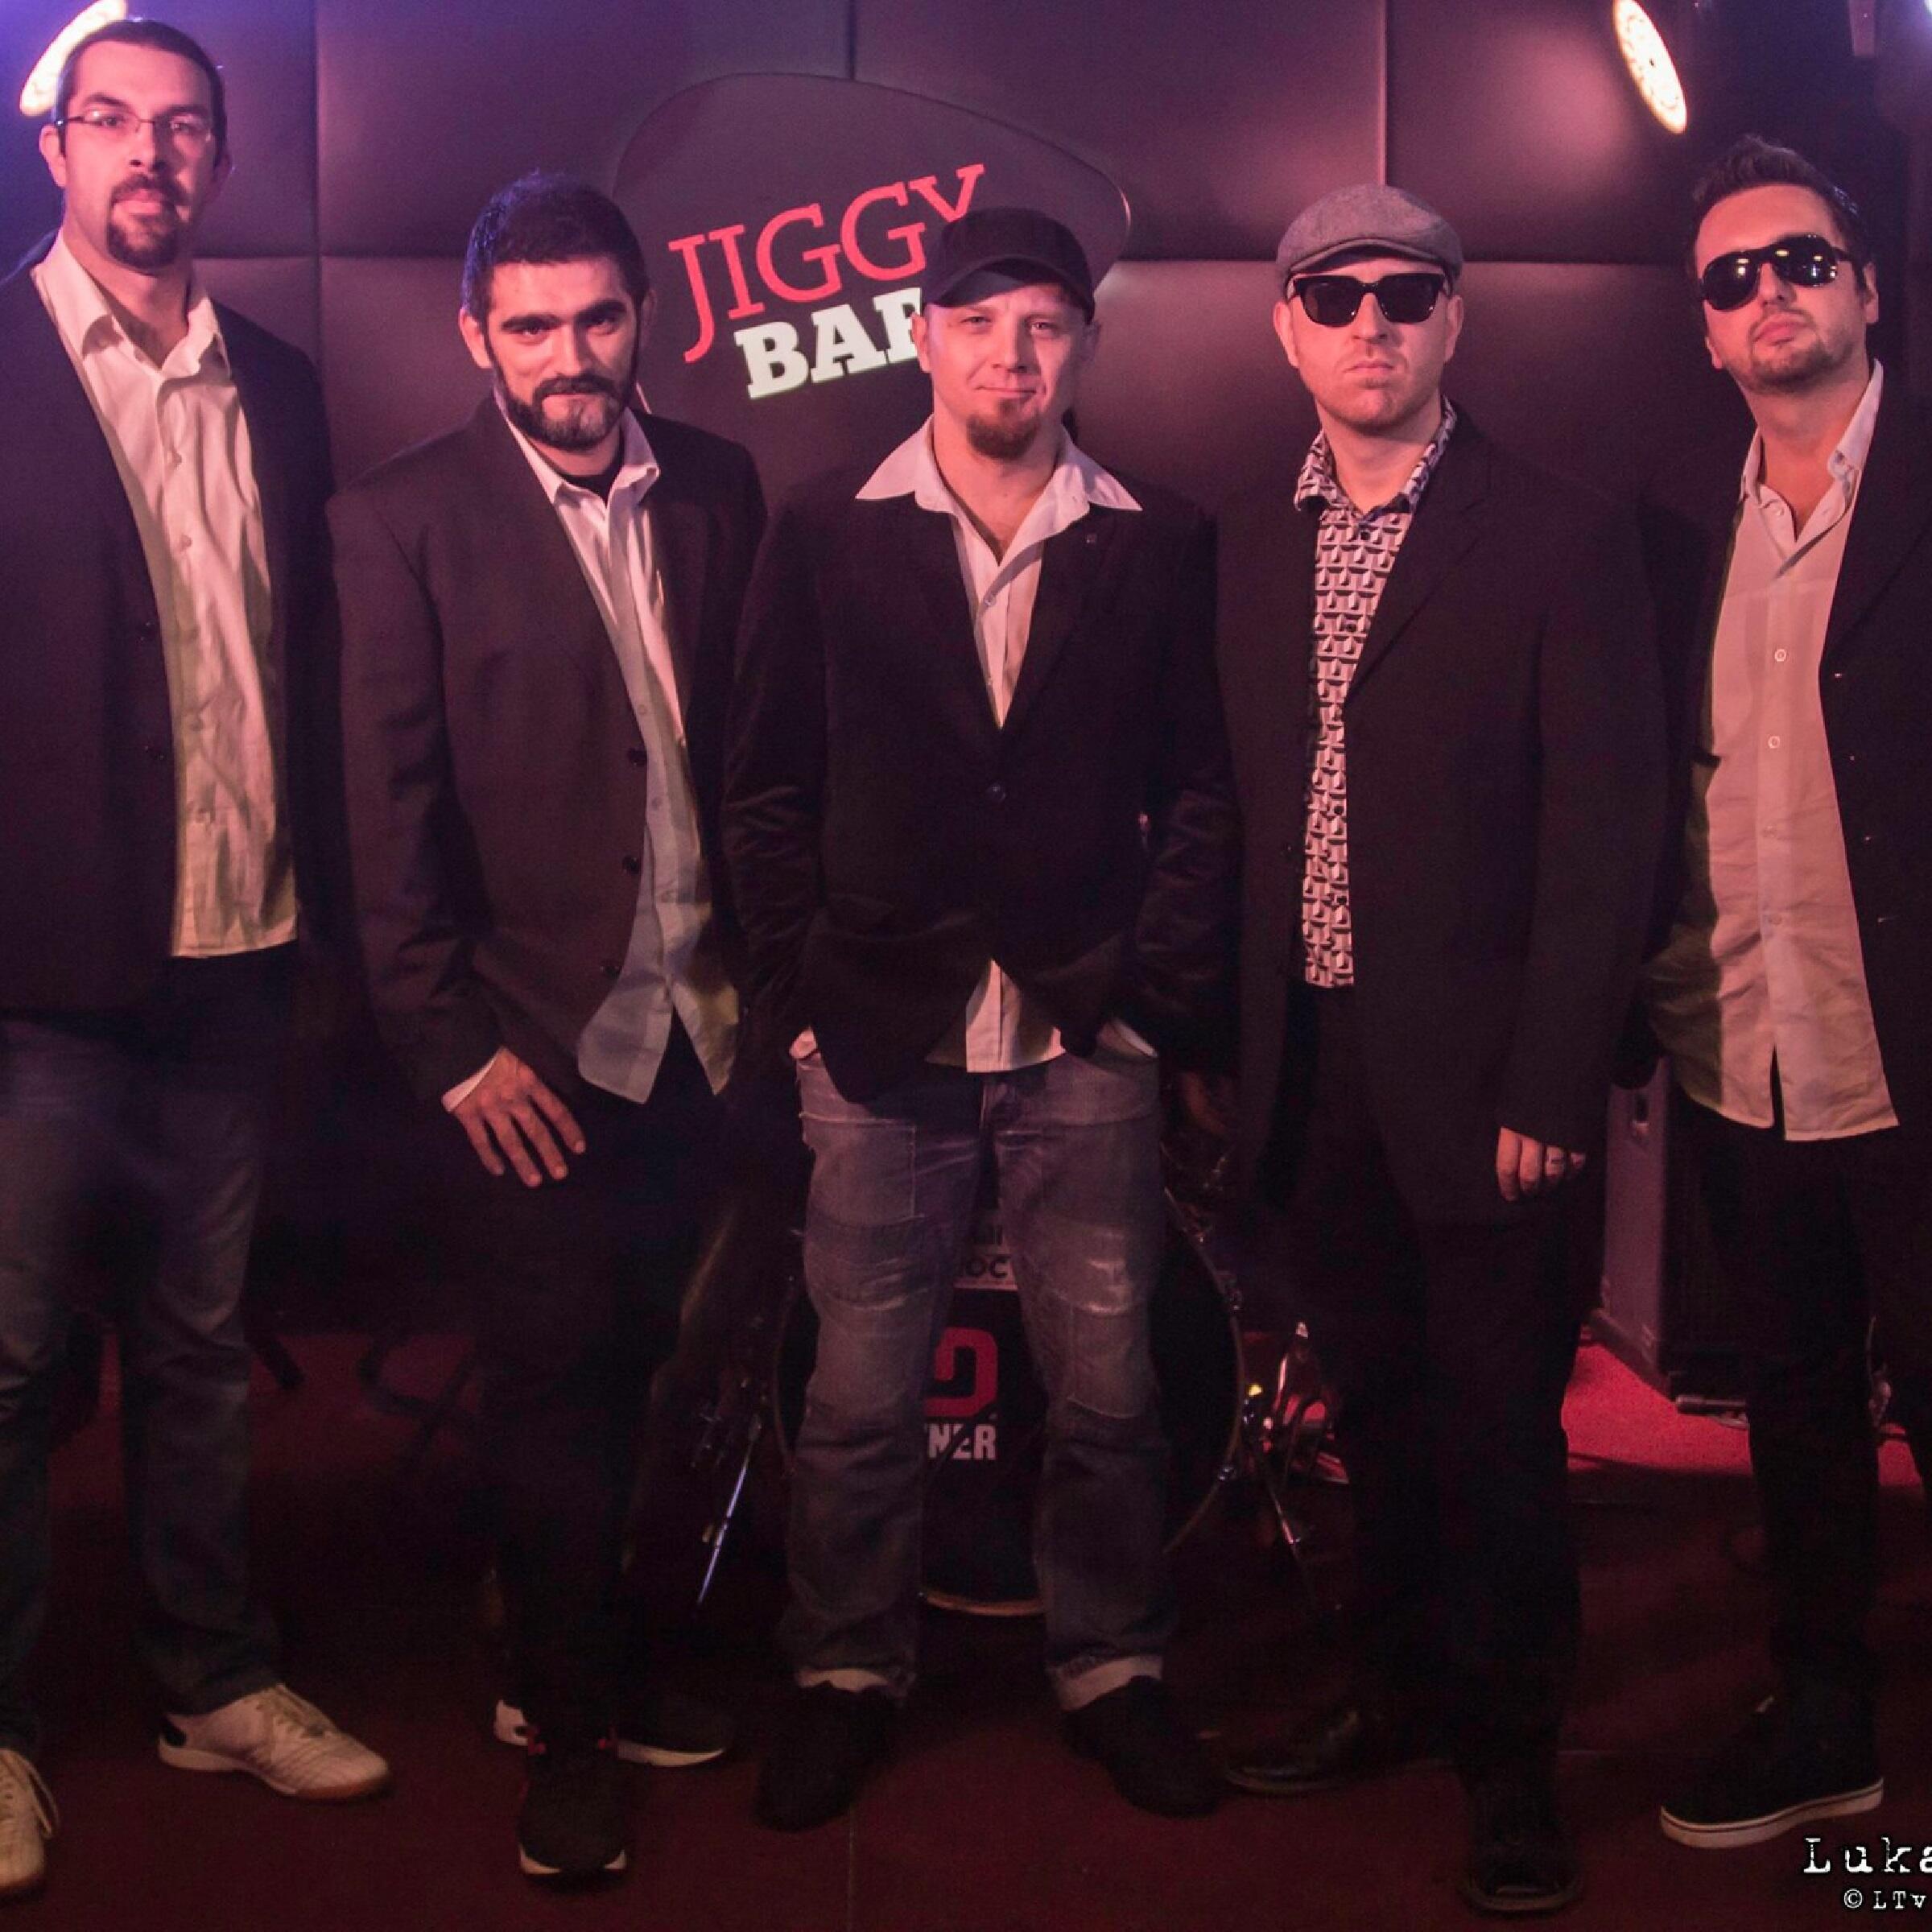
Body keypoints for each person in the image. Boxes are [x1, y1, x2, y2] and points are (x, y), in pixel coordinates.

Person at [724, 205, 1238, 1831]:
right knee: (858, 1396)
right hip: (880, 1036)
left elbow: (1203, 791)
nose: (1011, 354)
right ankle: (843, 1673)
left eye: (1043, 324)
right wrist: (801, 1000)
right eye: (978, 322)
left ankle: (1114, 1667)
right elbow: (765, 788)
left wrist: (1149, 1002)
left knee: (1111, 1393)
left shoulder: (1155, 538)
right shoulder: (825, 527)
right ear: (922, 337)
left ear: (1082, 344)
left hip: (1084, 1033)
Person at [1213, 184, 1663, 1914]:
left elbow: (1606, 832)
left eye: (1408, 294)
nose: (1373, 324)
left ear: (1456, 319)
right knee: (1379, 1423)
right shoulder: (1249, 539)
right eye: (1335, 296)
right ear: (1286, 328)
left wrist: (1555, 1078)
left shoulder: (1558, 532)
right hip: (1312, 1071)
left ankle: (1513, 1767)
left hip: (1491, 1091)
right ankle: (1397, 1688)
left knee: (1499, 1442)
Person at [331, 174, 763, 1884]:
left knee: (662, 1373)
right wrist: (449, 1049)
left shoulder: (719, 484)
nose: (569, 355)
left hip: (709, 1036)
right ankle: (567, 1734)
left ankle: (593, 1659)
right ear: (475, 338)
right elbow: (382, 821)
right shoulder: (399, 521)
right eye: (531, 327)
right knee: (555, 1393)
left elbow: (754, 758)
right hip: (531, 1054)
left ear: (643, 316)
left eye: (596, 318)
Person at [0, 18, 390, 1901]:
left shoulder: (282, 386)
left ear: (220, 160)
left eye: (183, 129)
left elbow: (307, 669)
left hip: (241, 958)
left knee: (201, 1355)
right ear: (53, 147)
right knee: (7, 1371)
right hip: (36, 984)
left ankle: (209, 1680)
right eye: (114, 123)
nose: (149, 155)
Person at [1641, 136, 1932, 1852]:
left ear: (1869, 290)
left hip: (1912, 1062)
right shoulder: (1688, 540)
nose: (1770, 293)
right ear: (1703, 329)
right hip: (1742, 1061)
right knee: (1802, 1416)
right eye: (1733, 276)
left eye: (1803, 260)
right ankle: (1825, 1717)